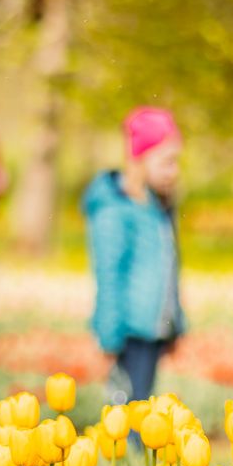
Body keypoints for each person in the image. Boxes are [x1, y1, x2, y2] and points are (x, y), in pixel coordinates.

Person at [84, 107, 187, 408]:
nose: (174, 170)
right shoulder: (115, 209)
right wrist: (108, 335)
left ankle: (136, 452)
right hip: (128, 332)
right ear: (139, 160)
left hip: (154, 327)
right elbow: (108, 275)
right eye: (167, 162)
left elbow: (169, 269)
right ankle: (127, 452)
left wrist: (174, 322)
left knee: (143, 405)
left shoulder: (157, 207)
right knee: (129, 407)